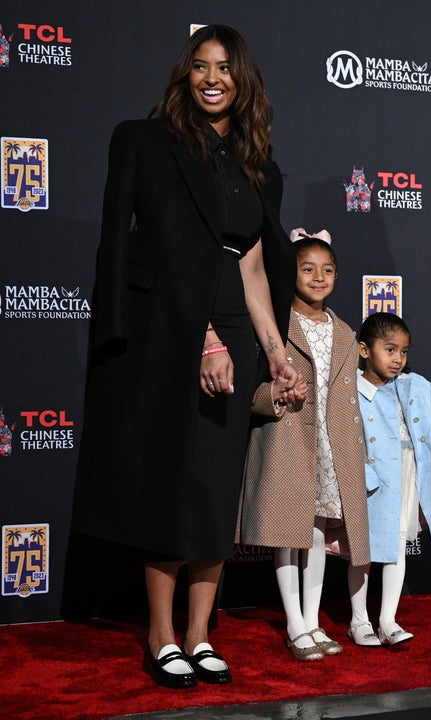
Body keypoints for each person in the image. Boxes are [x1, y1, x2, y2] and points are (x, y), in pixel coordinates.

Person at [72, 25, 298, 687]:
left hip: (233, 324)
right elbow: (138, 252)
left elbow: (252, 269)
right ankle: (161, 633)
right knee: (170, 483)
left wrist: (274, 350)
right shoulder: (145, 142)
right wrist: (202, 339)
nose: (211, 79)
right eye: (200, 66)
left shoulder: (259, 167)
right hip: (167, 331)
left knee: (214, 489)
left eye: (224, 68)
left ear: (243, 80)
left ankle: (200, 634)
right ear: (185, 75)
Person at [237, 230, 373, 660]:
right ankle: (294, 625)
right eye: (307, 268)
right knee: (287, 534)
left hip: (331, 450)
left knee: (316, 534)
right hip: (288, 442)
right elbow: (250, 392)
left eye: (327, 270)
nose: (318, 277)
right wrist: (276, 395)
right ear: (289, 273)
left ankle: (312, 622)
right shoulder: (274, 326)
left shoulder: (346, 332)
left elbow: (348, 400)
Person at [348, 312, 431, 645]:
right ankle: (359, 621)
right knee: (363, 551)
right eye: (390, 350)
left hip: (405, 474)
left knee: (397, 547)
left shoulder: (412, 384)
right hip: (370, 477)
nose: (398, 359)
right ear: (364, 350)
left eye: (403, 351)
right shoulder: (351, 390)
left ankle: (387, 621)